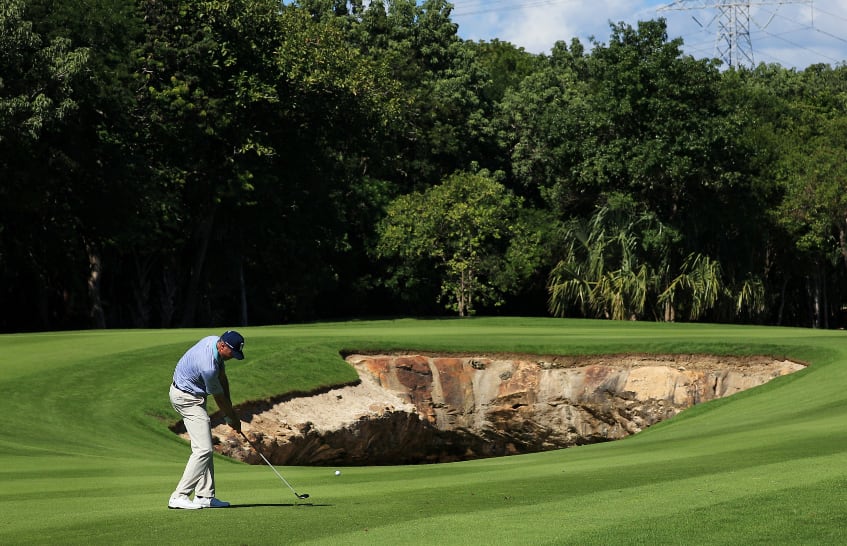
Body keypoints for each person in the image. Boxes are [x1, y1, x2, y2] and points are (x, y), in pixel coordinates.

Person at [167, 330, 245, 509]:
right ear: (223, 345)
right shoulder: (208, 367)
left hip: (191, 394)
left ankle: (205, 496)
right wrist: (231, 418)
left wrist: (231, 411)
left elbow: (223, 379)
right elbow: (218, 397)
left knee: (204, 446)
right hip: (185, 398)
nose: (233, 357)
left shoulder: (213, 341)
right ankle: (179, 496)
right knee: (203, 449)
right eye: (232, 353)